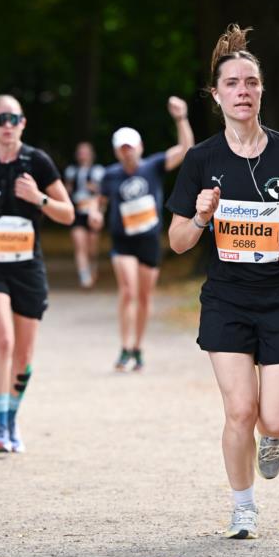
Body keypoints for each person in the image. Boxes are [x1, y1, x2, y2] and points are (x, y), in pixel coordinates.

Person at [166, 24, 279, 540]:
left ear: (261, 91)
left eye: (251, 83)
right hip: (227, 300)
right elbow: (177, 242)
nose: (243, 91)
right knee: (239, 410)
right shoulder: (201, 161)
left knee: (273, 420)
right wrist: (199, 217)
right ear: (216, 96)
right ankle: (242, 507)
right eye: (232, 83)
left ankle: (274, 440)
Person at [0, 94, 74, 452]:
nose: (8, 125)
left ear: (23, 123)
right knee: (2, 340)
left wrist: (39, 198)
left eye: (14, 119)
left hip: (27, 266)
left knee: (23, 353)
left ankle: (12, 419)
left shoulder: (37, 161)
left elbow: (67, 214)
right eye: (1, 119)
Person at [93, 98, 194, 371]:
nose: (127, 152)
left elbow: (186, 150)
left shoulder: (153, 166)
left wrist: (181, 118)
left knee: (145, 297)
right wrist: (95, 213)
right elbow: (99, 202)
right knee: (128, 291)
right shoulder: (110, 175)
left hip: (148, 240)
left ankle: (138, 347)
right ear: (116, 151)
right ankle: (125, 347)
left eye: (131, 147)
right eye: (122, 148)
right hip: (122, 240)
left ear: (140, 147)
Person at [64, 142, 105, 288]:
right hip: (77, 211)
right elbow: (66, 190)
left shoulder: (98, 171)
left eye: (85, 152)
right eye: (80, 152)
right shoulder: (71, 171)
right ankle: (84, 276)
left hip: (93, 212)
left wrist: (94, 188)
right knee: (79, 245)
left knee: (92, 247)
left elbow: (104, 193)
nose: (83, 155)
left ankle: (93, 266)